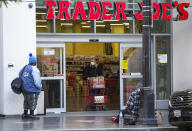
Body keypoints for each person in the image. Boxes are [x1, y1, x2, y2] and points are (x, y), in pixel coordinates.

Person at [19, 53, 42, 120]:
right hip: (32, 89)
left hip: (24, 88)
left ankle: (25, 114)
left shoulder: (25, 67)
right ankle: (31, 114)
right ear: (34, 62)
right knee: (33, 101)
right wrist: (39, 87)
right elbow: (37, 81)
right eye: (35, 61)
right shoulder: (34, 69)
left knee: (26, 101)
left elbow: (20, 75)